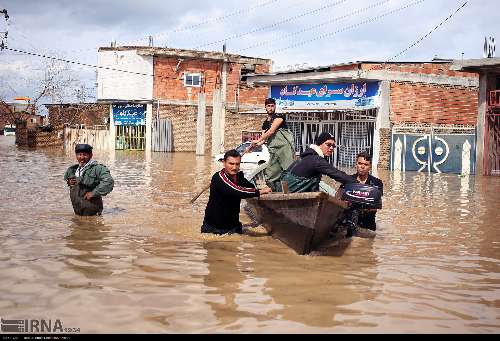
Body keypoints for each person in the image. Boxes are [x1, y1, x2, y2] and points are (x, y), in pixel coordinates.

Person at [201, 149, 272, 235]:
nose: (234, 167)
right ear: (224, 163)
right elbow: (236, 191)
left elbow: (250, 187)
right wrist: (259, 192)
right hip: (214, 229)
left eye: (237, 164)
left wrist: (262, 188)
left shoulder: (239, 177)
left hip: (233, 227)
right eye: (231, 164)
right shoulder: (218, 178)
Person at [280, 132, 356, 192]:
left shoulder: (306, 156)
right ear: (320, 144)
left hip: (288, 190)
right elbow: (336, 174)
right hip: (294, 193)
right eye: (328, 145)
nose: (331, 148)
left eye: (333, 146)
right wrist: (357, 183)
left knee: (322, 185)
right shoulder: (316, 160)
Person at [246, 98, 295, 191]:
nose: (271, 108)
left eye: (272, 106)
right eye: (269, 106)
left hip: (284, 149)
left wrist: (259, 139)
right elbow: (263, 139)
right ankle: (276, 191)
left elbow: (271, 131)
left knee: (289, 171)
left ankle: (290, 192)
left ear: (275, 106)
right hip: (273, 150)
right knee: (271, 174)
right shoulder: (265, 123)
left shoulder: (279, 117)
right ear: (265, 107)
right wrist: (255, 144)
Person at [64, 144, 114, 216]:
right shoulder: (73, 170)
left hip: (92, 213)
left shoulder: (97, 168)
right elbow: (73, 185)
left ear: (91, 155)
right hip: (78, 212)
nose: (82, 157)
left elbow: (109, 182)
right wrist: (69, 182)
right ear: (76, 155)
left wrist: (93, 193)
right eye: (79, 154)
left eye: (85, 155)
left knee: (93, 226)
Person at [347, 151, 383, 231]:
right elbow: (338, 198)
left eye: (366, 164)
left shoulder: (376, 183)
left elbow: (377, 205)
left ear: (370, 167)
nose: (362, 167)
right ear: (356, 164)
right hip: (349, 223)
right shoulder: (348, 180)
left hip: (368, 226)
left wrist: (355, 204)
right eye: (360, 163)